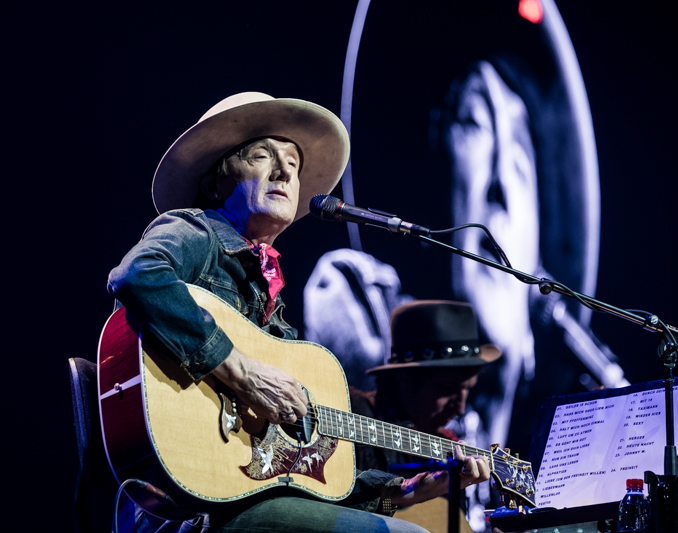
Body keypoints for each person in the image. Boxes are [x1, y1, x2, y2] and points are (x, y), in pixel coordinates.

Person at [107, 92, 490, 533]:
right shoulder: (198, 231)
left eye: (293, 162)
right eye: (260, 156)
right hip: (182, 510)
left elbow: (308, 472)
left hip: (248, 498)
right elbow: (138, 274)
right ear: (215, 184)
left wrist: (413, 489)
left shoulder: (277, 316)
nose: (285, 171)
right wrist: (242, 372)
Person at [349, 300, 502, 532]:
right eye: (447, 389)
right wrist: (408, 495)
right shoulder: (354, 416)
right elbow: (345, 507)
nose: (460, 408)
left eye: (467, 389)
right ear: (405, 379)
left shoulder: (449, 445)